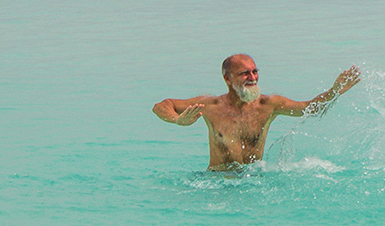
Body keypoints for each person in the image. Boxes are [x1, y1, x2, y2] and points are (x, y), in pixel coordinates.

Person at [152, 54, 361, 170]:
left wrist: (335, 92)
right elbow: (162, 105)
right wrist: (177, 120)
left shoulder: (269, 105)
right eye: (244, 73)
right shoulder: (210, 106)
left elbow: (310, 109)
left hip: (255, 180)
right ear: (227, 79)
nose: (252, 77)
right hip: (217, 183)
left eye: (254, 71)